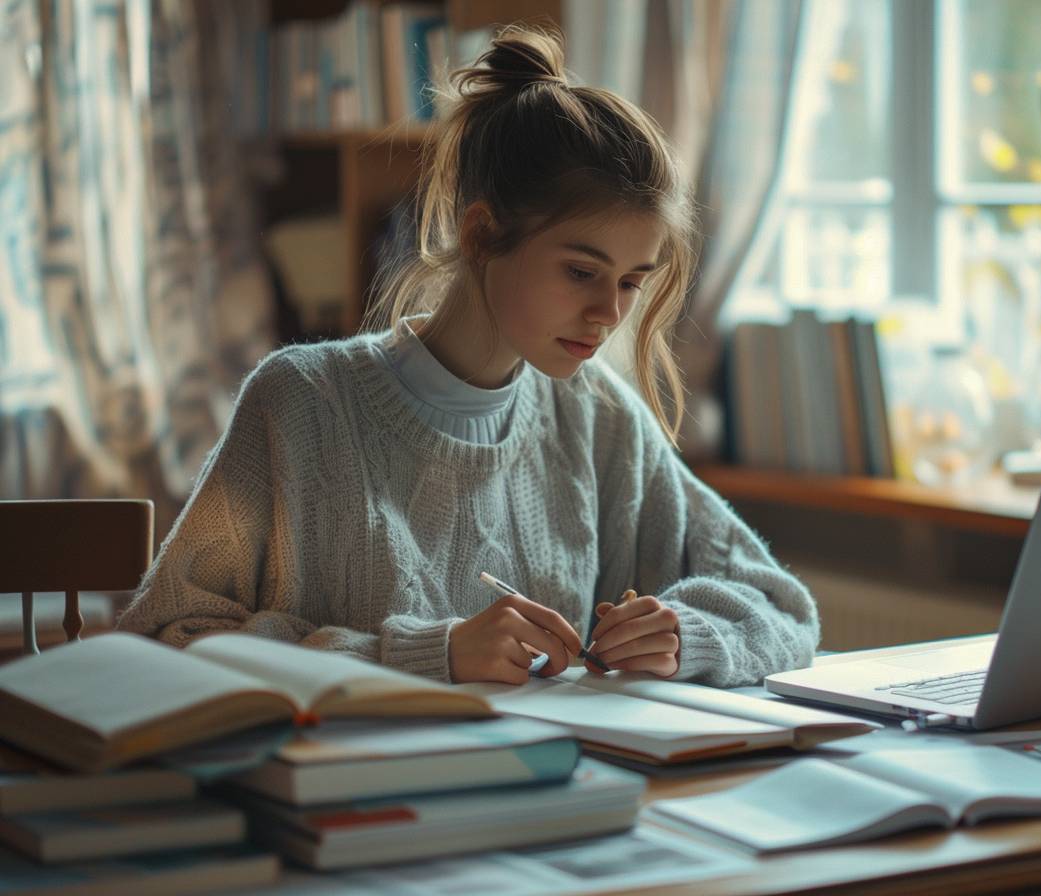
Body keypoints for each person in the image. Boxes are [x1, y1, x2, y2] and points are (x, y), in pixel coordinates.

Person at [117, 25, 819, 687]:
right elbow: (168, 638)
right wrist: (434, 653)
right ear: (482, 234)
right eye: (581, 271)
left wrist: (684, 634)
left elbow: (782, 607)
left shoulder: (598, 416)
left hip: (555, 796)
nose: (609, 313)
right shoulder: (301, 403)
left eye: (632, 282)